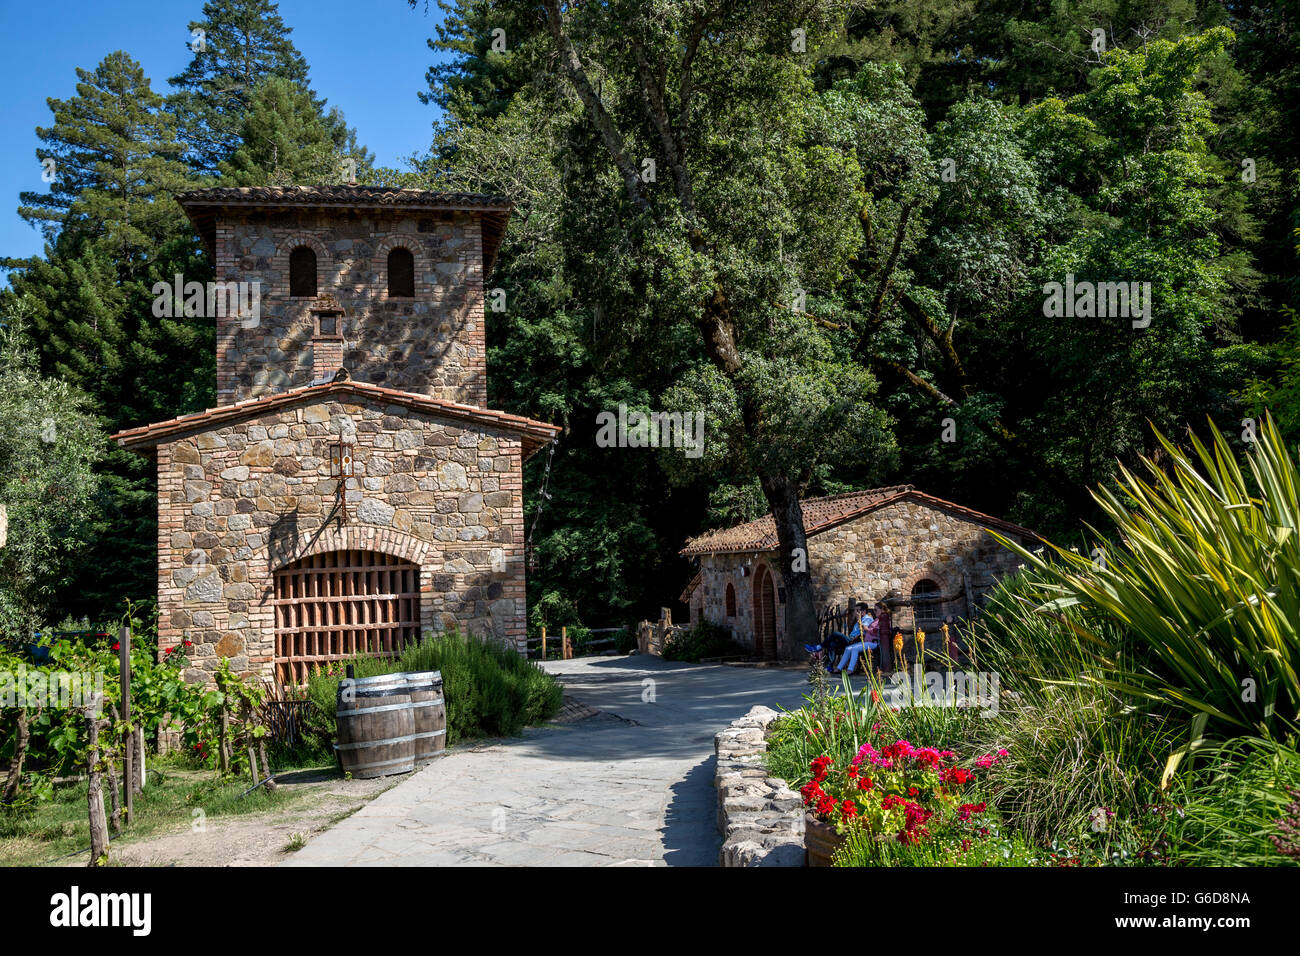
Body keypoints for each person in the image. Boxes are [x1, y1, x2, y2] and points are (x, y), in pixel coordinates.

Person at [831, 603, 880, 674]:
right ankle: (839, 668)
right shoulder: (876, 620)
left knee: (837, 635)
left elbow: (870, 631)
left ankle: (850, 670)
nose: (855, 612)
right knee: (847, 648)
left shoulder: (872, 619)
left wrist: (863, 625)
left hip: (871, 641)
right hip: (864, 640)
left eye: (876, 610)